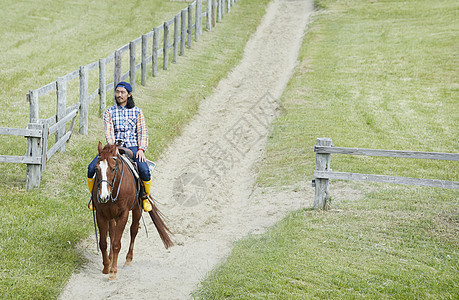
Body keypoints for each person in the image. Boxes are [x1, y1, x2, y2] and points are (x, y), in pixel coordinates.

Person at [87, 81, 152, 212]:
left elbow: (142, 132)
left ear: (129, 94)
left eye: (122, 92)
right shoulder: (109, 112)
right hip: (113, 147)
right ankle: (93, 198)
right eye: (117, 92)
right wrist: (112, 147)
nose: (119, 95)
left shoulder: (137, 112)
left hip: (133, 146)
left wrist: (141, 149)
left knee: (144, 170)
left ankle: (145, 197)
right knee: (91, 168)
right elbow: (109, 132)